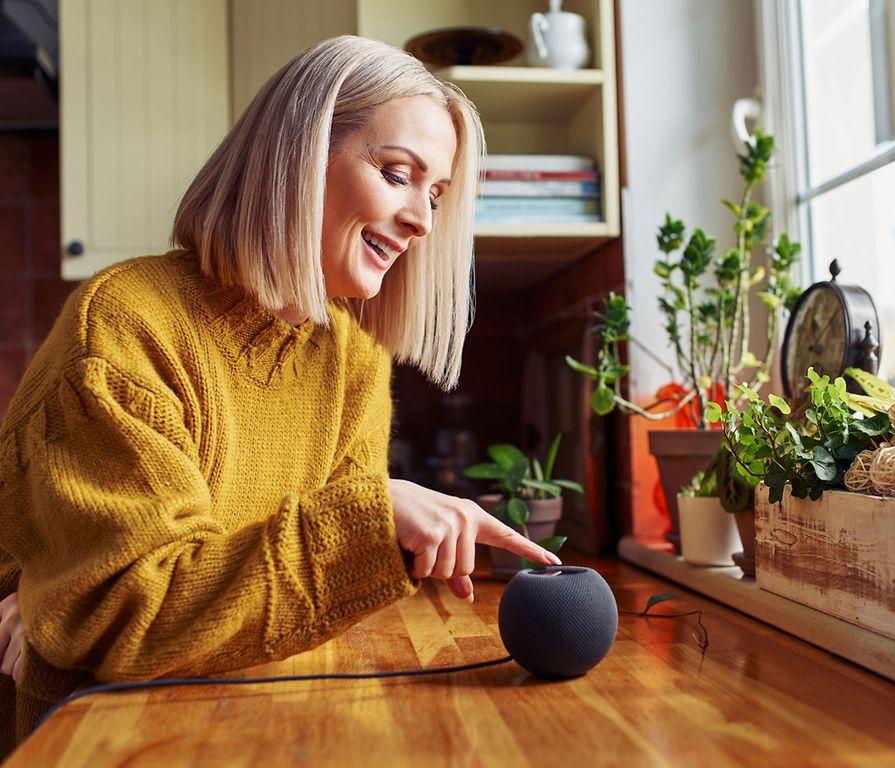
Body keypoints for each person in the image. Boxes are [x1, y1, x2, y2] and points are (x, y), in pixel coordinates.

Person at [0, 35, 559, 758]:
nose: (423, 219)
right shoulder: (126, 323)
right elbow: (126, 619)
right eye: (397, 174)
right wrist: (367, 520)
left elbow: (297, 600)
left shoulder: (353, 361)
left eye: (436, 194)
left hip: (263, 717)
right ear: (297, 155)